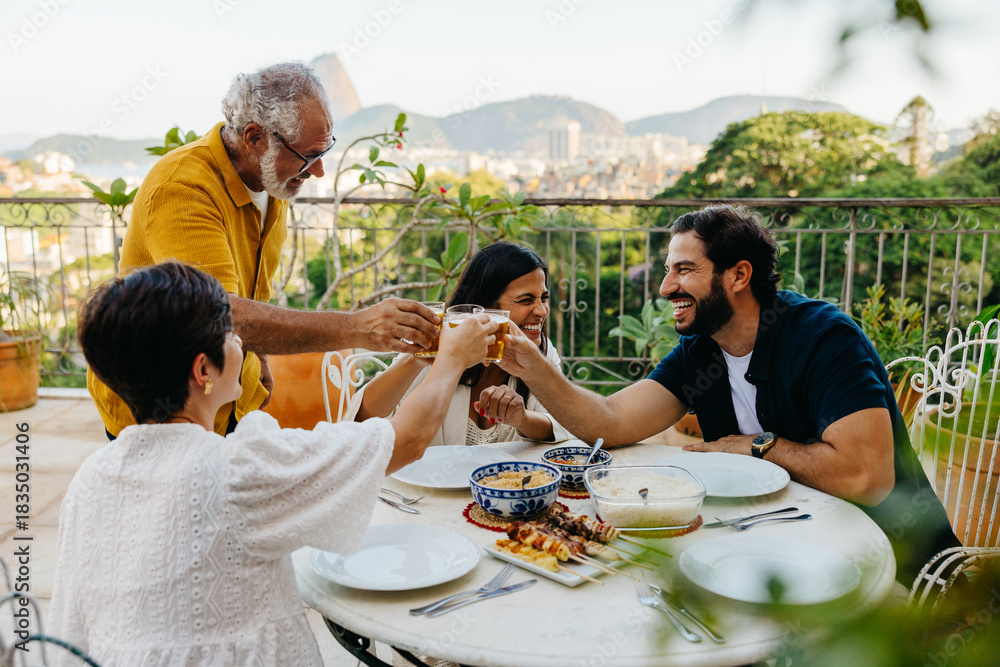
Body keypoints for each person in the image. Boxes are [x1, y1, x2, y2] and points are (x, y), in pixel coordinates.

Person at [50, 262, 496, 666]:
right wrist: (453, 358)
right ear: (203, 371)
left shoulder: (93, 475)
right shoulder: (238, 469)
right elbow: (407, 439)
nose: (241, 341)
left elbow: (71, 625)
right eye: (228, 333)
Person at [496, 204, 959, 583]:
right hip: (774, 552)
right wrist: (534, 368)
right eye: (666, 270)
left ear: (738, 275)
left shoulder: (824, 337)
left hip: (892, 574)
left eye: (684, 270)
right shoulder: (701, 349)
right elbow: (611, 422)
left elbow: (867, 479)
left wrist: (754, 447)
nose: (665, 287)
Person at [88, 62, 439, 439]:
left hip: (231, 398)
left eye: (325, 150)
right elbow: (218, 318)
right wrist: (358, 327)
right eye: (308, 155)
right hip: (163, 412)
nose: (318, 170)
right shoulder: (181, 189)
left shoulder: (273, 180)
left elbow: (253, 288)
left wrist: (259, 357)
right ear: (254, 138)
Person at [354, 241, 570, 445]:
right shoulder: (438, 342)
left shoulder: (540, 350)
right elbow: (361, 420)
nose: (542, 311)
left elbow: (562, 424)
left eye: (544, 298)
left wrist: (522, 418)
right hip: (428, 482)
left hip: (504, 484)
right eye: (526, 300)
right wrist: (417, 358)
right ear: (485, 306)